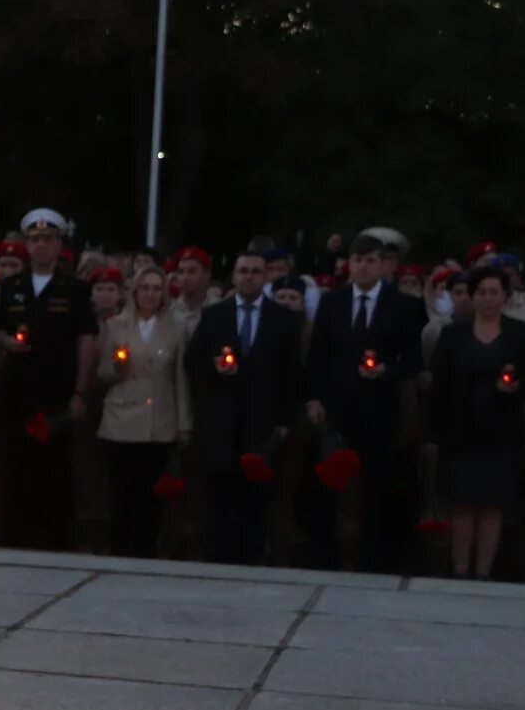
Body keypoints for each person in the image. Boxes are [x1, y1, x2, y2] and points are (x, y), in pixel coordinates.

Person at [303, 231, 424, 571]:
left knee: (375, 489)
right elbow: (318, 356)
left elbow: (414, 361)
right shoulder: (333, 302)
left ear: (384, 265)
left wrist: (386, 370)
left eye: (371, 260)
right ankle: (324, 558)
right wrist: (314, 397)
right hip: (336, 408)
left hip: (379, 410)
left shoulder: (405, 306)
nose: (363, 266)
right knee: (329, 485)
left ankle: (372, 561)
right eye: (357, 259)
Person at [186, 252, 304, 565]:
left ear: (265, 277)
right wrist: (213, 371)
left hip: (263, 422)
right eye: (243, 271)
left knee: (258, 496)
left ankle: (253, 557)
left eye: (255, 271)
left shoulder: (283, 319)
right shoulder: (214, 315)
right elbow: (193, 363)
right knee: (220, 494)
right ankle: (217, 558)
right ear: (234, 276)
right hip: (222, 421)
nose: (249, 276)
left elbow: (293, 374)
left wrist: (285, 421)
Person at [427, 268, 525, 579]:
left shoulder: (521, 333)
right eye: (482, 292)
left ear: (506, 295)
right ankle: (460, 570)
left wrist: (516, 386)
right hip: (460, 430)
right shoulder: (454, 333)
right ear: (472, 295)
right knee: (463, 504)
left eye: (494, 291)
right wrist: (435, 433)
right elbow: (440, 385)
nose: (488, 298)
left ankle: (484, 572)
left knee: (493, 504)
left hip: (503, 431)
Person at [0, 207, 97, 549]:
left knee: (57, 469)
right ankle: (16, 538)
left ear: (59, 244)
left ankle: (56, 541)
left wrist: (80, 391)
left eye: (47, 239)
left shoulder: (76, 289)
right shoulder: (12, 287)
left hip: (57, 390)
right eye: (34, 239)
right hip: (17, 391)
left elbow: (86, 340)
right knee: (16, 466)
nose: (40, 246)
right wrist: (6, 341)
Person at [93, 268, 192, 557]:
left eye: (156, 288)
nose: (150, 293)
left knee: (152, 495)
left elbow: (180, 378)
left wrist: (184, 422)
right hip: (123, 415)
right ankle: (119, 549)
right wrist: (117, 366)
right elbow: (104, 373)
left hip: (159, 418)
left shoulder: (177, 327)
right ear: (135, 292)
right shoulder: (116, 325)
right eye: (145, 288)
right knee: (123, 490)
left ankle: (147, 550)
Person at [167, 246, 212, 333]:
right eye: (180, 272)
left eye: (192, 271)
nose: (185, 278)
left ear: (207, 274)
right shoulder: (168, 310)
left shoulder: (218, 308)